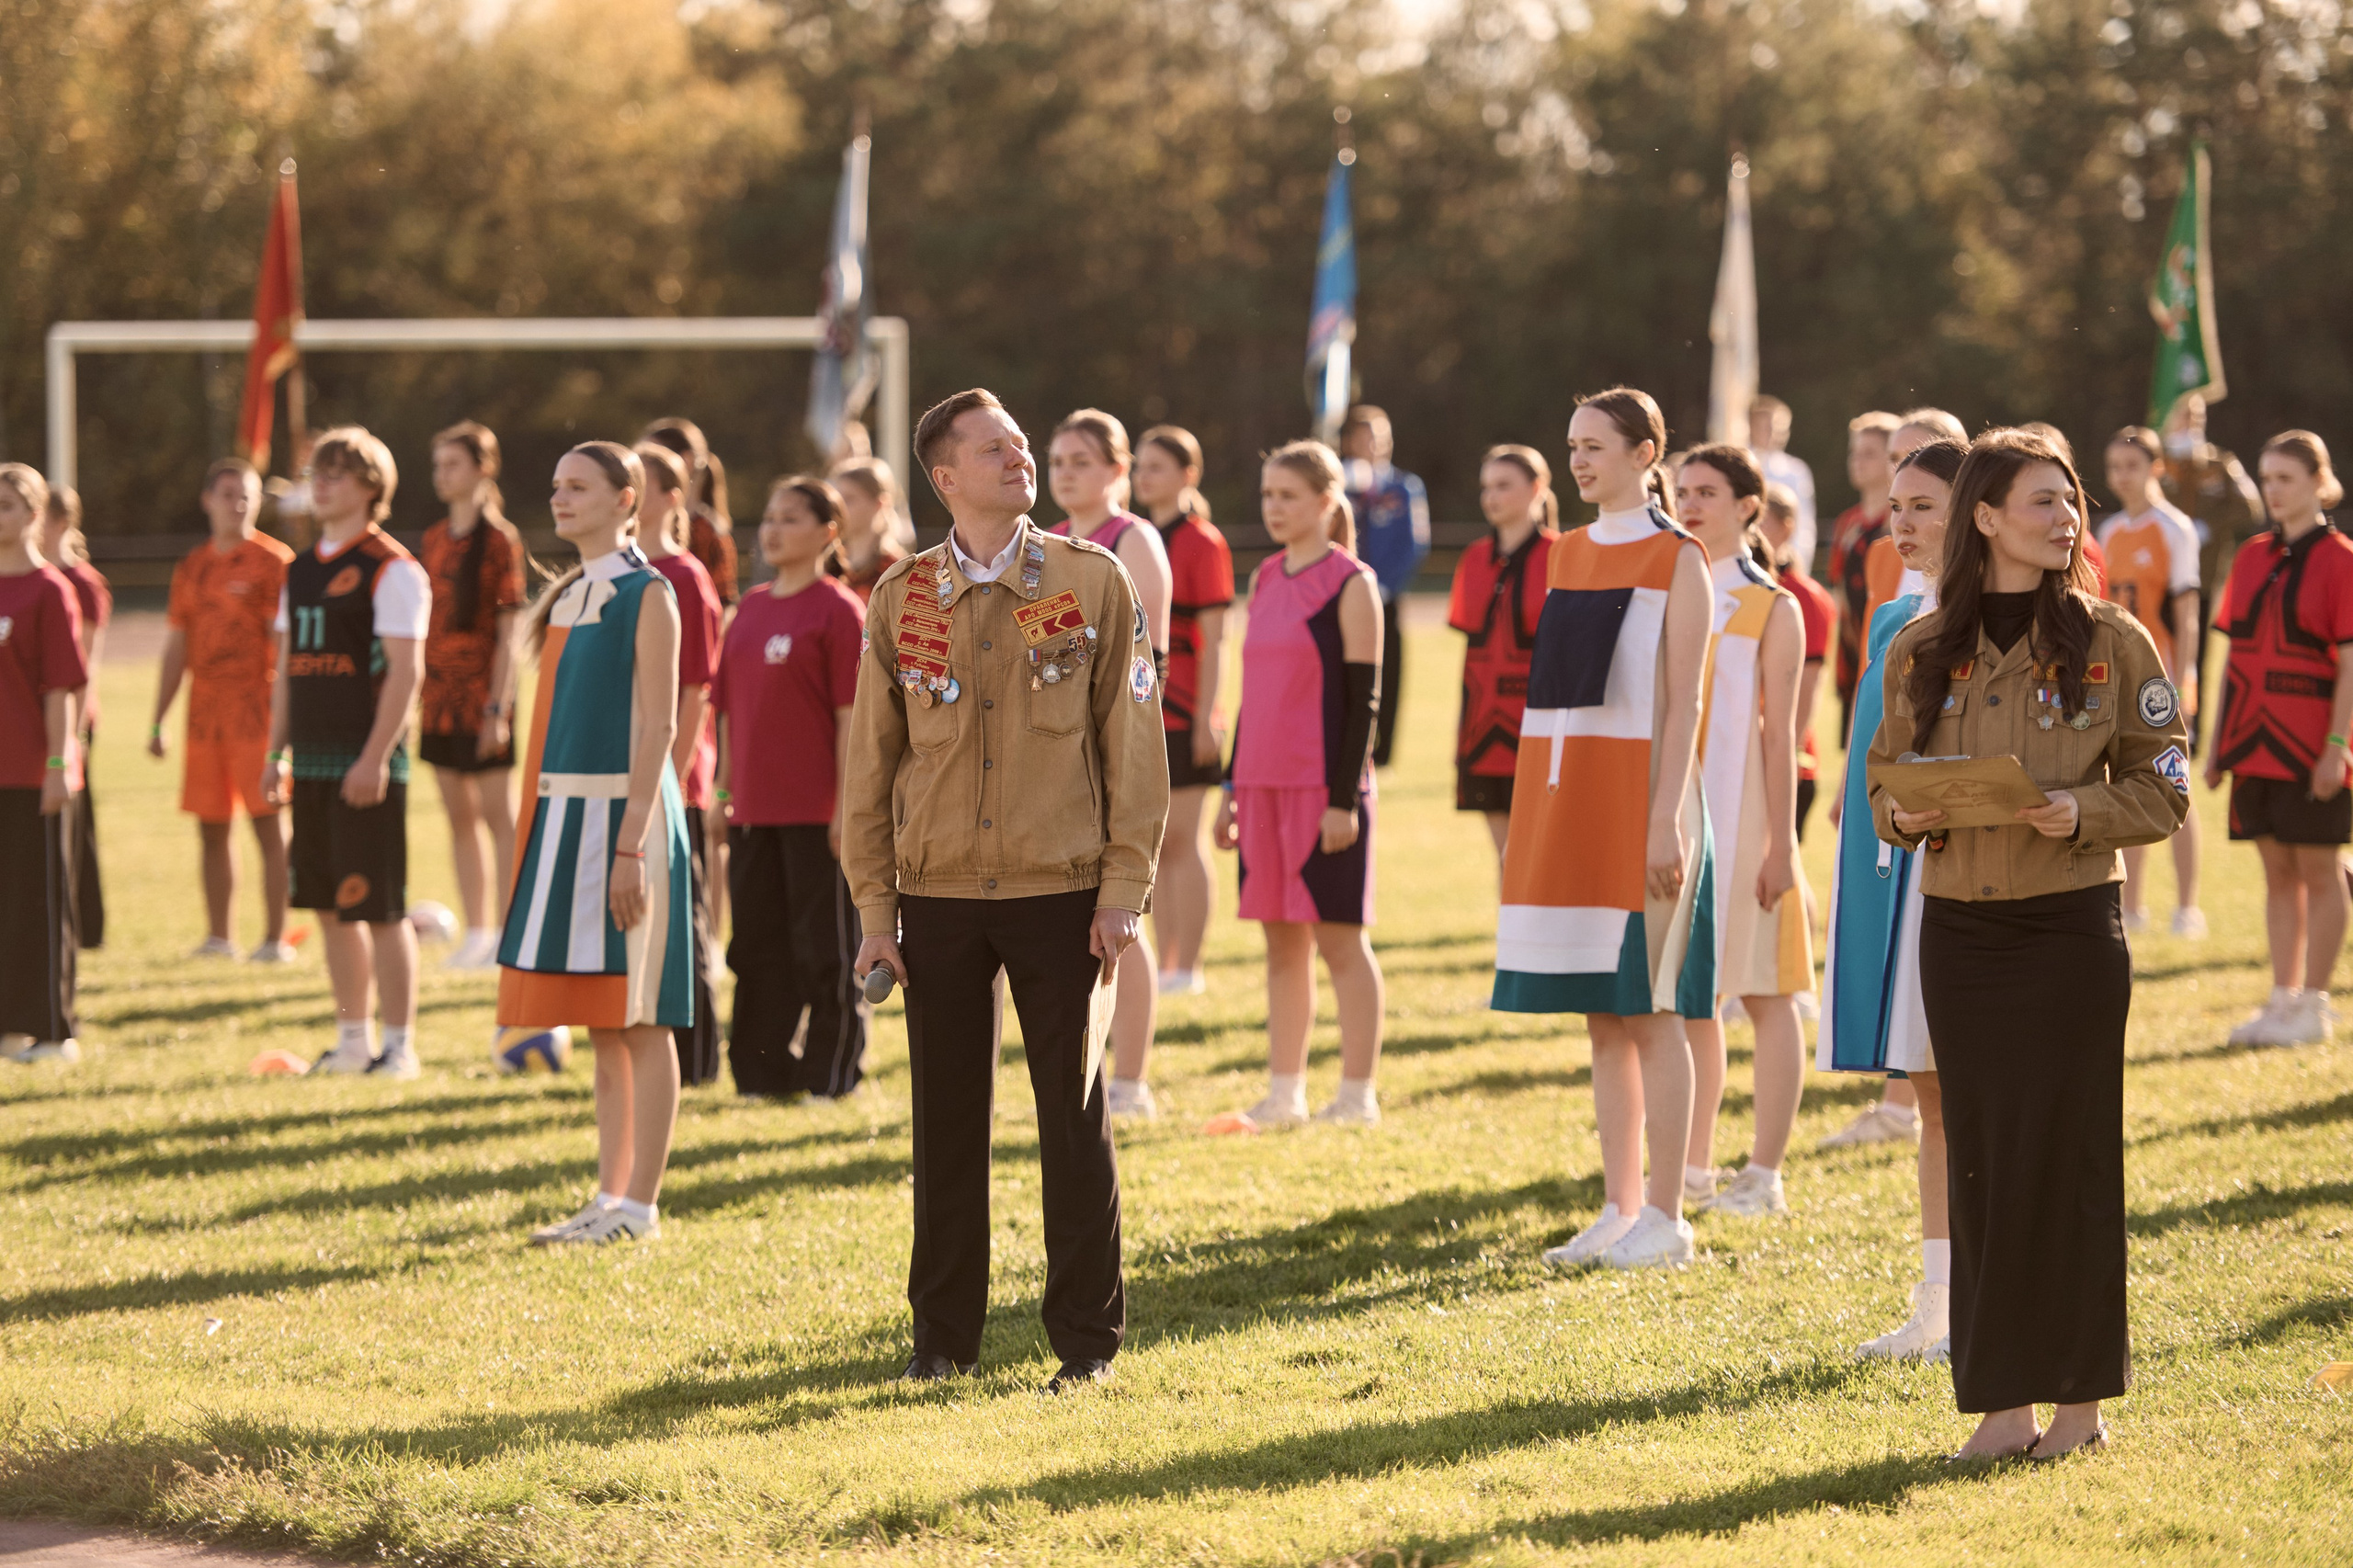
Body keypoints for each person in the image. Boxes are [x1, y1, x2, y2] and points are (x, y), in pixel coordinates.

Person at [1870, 427, 2187, 1460]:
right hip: (1960, 934)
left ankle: (2081, 1407)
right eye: (2042, 501)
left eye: (2071, 499)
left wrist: (2080, 808)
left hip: (2068, 930)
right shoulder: (1919, 648)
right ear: (1987, 517)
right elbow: (1883, 785)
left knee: (2074, 1156)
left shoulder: (2113, 639)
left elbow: (2168, 782)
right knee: (1985, 1169)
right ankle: (2001, 1407)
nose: (2065, 518)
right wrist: (1909, 813)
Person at [844, 388, 1165, 1391]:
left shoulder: (1090, 579)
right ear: (946, 477)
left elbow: (1133, 742)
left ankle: (1086, 1344)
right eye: (996, 450)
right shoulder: (902, 596)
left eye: (1022, 445)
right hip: (936, 893)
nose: (1020, 459)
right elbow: (869, 765)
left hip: (1061, 891)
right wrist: (873, 908)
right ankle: (941, 1340)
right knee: (946, 1123)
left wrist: (1123, 887)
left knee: (1071, 1115)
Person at [1493, 387, 1714, 1270]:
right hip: (1568, 791)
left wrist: (1664, 819)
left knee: (1652, 1007)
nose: (1581, 460)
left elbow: (1684, 697)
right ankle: (1619, 1207)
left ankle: (1668, 1215)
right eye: (1573, 444)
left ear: (1645, 452)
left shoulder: (1679, 555)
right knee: (1599, 1013)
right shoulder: (1565, 552)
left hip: (1644, 798)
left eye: (1597, 446)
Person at [503, 442, 693, 1244]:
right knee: (602, 1022)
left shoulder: (649, 593)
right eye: (555, 486)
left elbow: (660, 722)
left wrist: (630, 844)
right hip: (565, 824)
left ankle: (641, 1208)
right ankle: (608, 1198)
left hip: (625, 823)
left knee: (643, 1017)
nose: (560, 498)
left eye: (578, 486)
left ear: (628, 500)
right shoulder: (573, 592)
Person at [1819, 436, 1966, 1363]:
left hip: (1968, 877)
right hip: (1893, 874)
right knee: (1927, 1090)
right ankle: (1939, 1302)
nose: (1899, 523)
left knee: (1972, 1090)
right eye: (1896, 506)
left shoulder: (1991, 618)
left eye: (1922, 507)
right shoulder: (1888, 615)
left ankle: (1992, 1296)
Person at [1209, 440, 1386, 1131]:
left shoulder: (1352, 583)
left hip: (1324, 794)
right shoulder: (1269, 578)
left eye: (1287, 496)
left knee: (1342, 943)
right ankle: (1286, 1092)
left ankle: (1357, 1095)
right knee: (1281, 946)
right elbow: (1256, 693)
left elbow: (1363, 702)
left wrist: (1343, 801)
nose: (1274, 508)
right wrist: (1232, 786)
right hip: (1260, 787)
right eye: (1267, 496)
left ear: (1324, 502)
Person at [261, 427, 430, 1079]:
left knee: (380, 908)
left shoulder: (392, 568)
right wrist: (276, 753)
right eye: (315, 472)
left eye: (335, 473)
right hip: (312, 765)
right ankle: (352, 1039)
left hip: (367, 768)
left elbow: (406, 674)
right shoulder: (298, 570)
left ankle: (400, 1046)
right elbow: (285, 669)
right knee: (331, 907)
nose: (321, 484)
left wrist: (375, 758)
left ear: (369, 487)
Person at [1673, 446, 1810, 1219]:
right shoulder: (1672, 588)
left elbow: (1780, 735)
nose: (1690, 505)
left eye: (1708, 493)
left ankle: (1763, 1172)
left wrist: (1780, 844)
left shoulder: (1772, 604)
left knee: (1766, 992)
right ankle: (1692, 1168)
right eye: (1681, 491)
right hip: (1684, 816)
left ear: (1748, 506)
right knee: (1694, 998)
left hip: (1747, 813)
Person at [714, 476, 869, 1100]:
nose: (772, 529)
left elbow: (851, 719)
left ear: (827, 533)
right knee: (754, 950)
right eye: (769, 517)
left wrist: (845, 810)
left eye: (790, 519)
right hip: (753, 813)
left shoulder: (838, 610)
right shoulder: (749, 608)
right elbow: (727, 713)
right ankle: (760, 1073)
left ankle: (829, 1076)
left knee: (824, 953)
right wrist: (723, 794)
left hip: (817, 816)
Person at [1047, 410, 1175, 1120]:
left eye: (1083, 460)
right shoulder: (1048, 544)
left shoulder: (1135, 540)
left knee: (1125, 912)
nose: (1066, 472)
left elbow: (1144, 664)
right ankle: (1084, 1069)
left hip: (1115, 750)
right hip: (1058, 755)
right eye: (1058, 460)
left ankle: (1133, 1080)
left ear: (1118, 470)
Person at [2208, 431, 2353, 1048]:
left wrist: (2338, 746)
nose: (2273, 490)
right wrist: (2217, 746)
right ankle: (2282, 999)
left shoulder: (2343, 558)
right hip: (2254, 744)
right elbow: (2235, 657)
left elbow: (2351, 663)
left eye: (2285, 479)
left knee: (2320, 870)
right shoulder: (2252, 555)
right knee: (2276, 873)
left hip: (2311, 742)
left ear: (2319, 483)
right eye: (2266, 479)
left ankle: (2315, 1005)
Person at [151, 459, 296, 960]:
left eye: (247, 496)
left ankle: (276, 939)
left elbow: (288, 646)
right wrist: (158, 717)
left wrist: (286, 725)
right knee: (211, 827)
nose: (237, 504)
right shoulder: (192, 565)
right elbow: (177, 646)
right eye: (229, 494)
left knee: (268, 824)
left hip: (257, 715)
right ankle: (220, 937)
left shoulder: (276, 562)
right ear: (207, 499)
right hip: (204, 718)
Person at [417, 421, 526, 970]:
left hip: (484, 698)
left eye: (453, 464)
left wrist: (497, 709)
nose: (443, 475)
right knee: (457, 816)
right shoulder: (433, 539)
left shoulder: (501, 539)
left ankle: (509, 930)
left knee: (495, 815)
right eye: (438, 465)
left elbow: (510, 630)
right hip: (438, 697)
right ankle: (478, 931)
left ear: (483, 468)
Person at [634, 441, 725, 1088]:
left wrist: (669, 776)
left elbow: (696, 689)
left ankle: (693, 1061)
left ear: (672, 496)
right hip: (627, 779)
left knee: (682, 925)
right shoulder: (619, 569)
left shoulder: (684, 577)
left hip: (672, 784)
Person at [1133, 425, 1233, 1000]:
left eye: (1158, 467)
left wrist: (1206, 721)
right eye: (1140, 466)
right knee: (1154, 844)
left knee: (1183, 841)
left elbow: (1217, 638)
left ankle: (1185, 965)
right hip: (1143, 710)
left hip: (1187, 708)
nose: (1146, 477)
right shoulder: (1135, 535)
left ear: (1187, 474)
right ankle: (1164, 960)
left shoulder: (1202, 541)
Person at [2099, 426, 2206, 938]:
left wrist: (2184, 682)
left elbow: (2187, 615)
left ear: (2155, 468)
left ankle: (2187, 908)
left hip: (2160, 680)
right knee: (2124, 786)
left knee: (2174, 785)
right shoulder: (2109, 531)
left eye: (2132, 465)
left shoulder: (2175, 529)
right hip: (2115, 680)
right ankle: (2133, 906)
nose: (2122, 476)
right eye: (2114, 466)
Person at [0, 464, 87, 1065]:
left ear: (33, 515)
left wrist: (59, 764)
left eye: (6, 506)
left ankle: (55, 1030)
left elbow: (62, 689)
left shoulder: (51, 590)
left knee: (39, 901)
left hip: (34, 770)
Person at [1449, 445, 1558, 862]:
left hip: (1539, 720)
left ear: (1536, 489)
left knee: (1540, 851)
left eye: (1503, 486)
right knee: (1505, 854)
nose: (1491, 497)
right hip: (1482, 721)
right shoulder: (1474, 557)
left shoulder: (1561, 555)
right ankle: (1508, 928)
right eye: (1486, 487)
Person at [1339, 405, 1429, 768]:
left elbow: (1413, 544)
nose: (1372, 445)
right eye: (1363, 438)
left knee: (1388, 673)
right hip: (1343, 596)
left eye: (1379, 437)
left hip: (1386, 597)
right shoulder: (1341, 483)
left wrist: (1384, 587)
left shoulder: (1403, 487)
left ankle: (1385, 752)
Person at [40, 486, 108, 949]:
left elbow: (83, 665)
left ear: (61, 522)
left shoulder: (80, 582)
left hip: (70, 721)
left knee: (76, 827)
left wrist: (75, 734)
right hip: (31, 724)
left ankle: (86, 927)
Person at [2158, 393, 2264, 673]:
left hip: (2201, 576)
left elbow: (2251, 508)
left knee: (2197, 662)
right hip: (2157, 574)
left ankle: (2193, 716)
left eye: (2197, 415)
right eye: (2184, 415)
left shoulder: (2220, 463)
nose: (2191, 422)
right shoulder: (2157, 463)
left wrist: (2210, 526)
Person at [1761, 483, 1833, 842]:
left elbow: (1809, 685)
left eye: (1762, 521)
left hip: (1787, 765)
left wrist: (1787, 755)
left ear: (1786, 527)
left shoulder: (1803, 596)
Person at [1830, 412, 1900, 740]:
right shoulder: (1847, 523)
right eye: (1854, 453)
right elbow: (1838, 590)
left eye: (1869, 453)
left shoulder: (1902, 523)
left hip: (1890, 653)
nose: (1857, 461)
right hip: (1852, 653)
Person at [641, 417, 739, 607]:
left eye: (655, 457)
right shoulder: (635, 524)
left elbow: (723, 604)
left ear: (687, 460)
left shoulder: (708, 532)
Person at [826, 457, 911, 602]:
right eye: (837, 500)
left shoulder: (896, 570)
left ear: (879, 503)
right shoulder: (828, 564)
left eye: (849, 499)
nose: (839, 509)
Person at [1749, 394, 1818, 571]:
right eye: (1765, 426)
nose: (1772, 433)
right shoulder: (1743, 464)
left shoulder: (1796, 471)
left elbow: (1804, 523)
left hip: (1786, 563)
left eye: (1778, 427)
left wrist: (1799, 564)